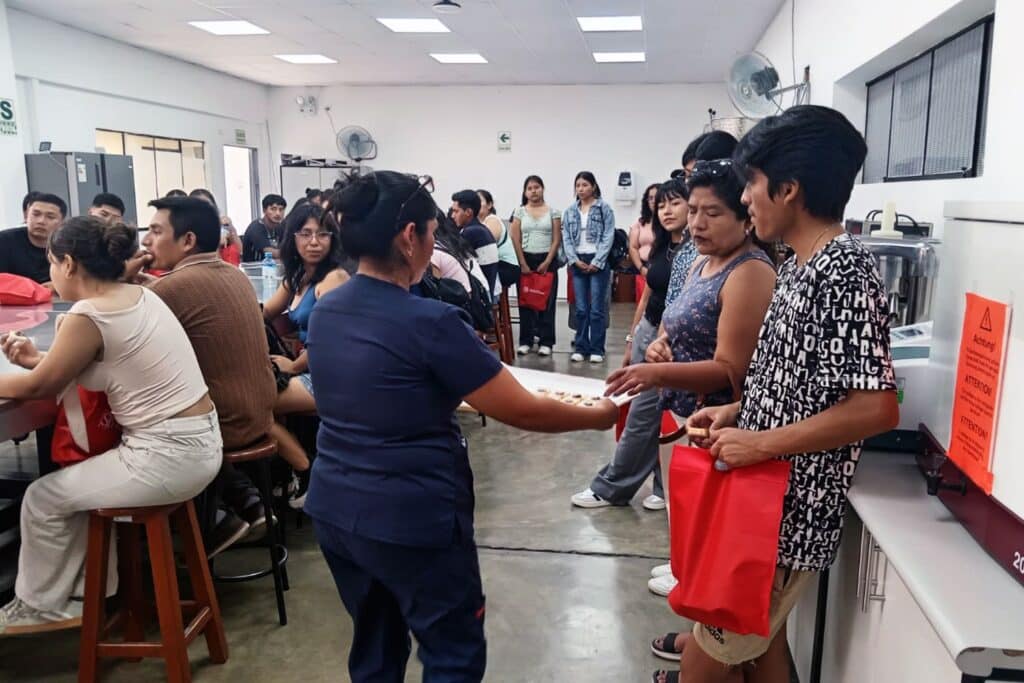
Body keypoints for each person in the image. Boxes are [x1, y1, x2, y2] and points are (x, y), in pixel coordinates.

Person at [303, 170, 618, 682]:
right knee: (452, 651)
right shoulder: (430, 322)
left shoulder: (327, 309)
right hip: (412, 517)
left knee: (374, 647)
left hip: (336, 509)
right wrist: (599, 415)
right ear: (410, 237)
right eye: (432, 231)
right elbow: (522, 408)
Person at [662, 106, 899, 683]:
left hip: (785, 510)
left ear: (789, 190)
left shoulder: (842, 272)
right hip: (764, 498)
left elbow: (875, 406)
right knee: (763, 648)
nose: (747, 199)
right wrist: (738, 409)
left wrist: (762, 443)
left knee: (707, 655)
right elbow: (801, 382)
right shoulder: (798, 262)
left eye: (753, 185)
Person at [0, 216, 222, 635]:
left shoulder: (89, 314)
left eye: (50, 264)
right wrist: (36, 358)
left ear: (67, 264)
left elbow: (40, 386)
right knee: (74, 487)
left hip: (165, 458)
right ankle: (90, 592)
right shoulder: (139, 295)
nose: (50, 275)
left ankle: (43, 605)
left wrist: (34, 369)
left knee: (42, 498)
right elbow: (84, 368)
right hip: (199, 444)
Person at [571, 175, 727, 510]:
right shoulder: (664, 245)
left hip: (670, 342)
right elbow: (653, 293)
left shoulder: (699, 253)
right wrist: (634, 337)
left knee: (648, 415)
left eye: (677, 203)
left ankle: (619, 486)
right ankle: (656, 485)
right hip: (651, 332)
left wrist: (663, 342)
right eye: (661, 205)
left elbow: (685, 307)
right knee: (650, 414)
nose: (668, 211)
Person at [137, 196, 277, 554]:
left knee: (134, 418)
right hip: (260, 411)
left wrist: (117, 281)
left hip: (223, 425)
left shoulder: (172, 288)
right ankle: (245, 499)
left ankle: (201, 526)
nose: (146, 242)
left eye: (155, 231)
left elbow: (124, 339)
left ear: (187, 241)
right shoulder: (234, 274)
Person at [263, 202, 349, 508]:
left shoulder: (334, 279)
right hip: (308, 371)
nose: (314, 242)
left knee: (250, 407)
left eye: (323, 234)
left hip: (330, 377)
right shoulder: (299, 276)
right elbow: (264, 312)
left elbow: (329, 341)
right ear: (293, 238)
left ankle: (305, 470)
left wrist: (294, 365)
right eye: (305, 234)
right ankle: (289, 473)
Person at [562, 171, 615, 363]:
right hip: (577, 261)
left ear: (593, 186)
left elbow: (609, 235)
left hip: (597, 261)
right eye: (578, 185)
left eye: (585, 185)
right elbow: (566, 238)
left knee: (597, 309)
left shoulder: (604, 208)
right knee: (581, 309)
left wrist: (598, 261)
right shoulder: (570, 211)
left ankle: (597, 349)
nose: (581, 189)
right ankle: (581, 346)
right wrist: (574, 260)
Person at [511, 175, 561, 357]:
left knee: (547, 302)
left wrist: (547, 261)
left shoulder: (553, 212)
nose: (534, 191)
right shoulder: (519, 212)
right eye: (530, 188)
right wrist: (522, 263)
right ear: (525, 192)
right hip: (525, 260)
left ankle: (546, 342)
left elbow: (556, 239)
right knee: (526, 302)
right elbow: (514, 238)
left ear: (543, 189)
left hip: (547, 261)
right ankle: (526, 341)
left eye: (537, 187)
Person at [0, 193, 67, 286]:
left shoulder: (69, 245)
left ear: (62, 222)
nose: (41, 221)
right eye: (36, 214)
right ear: (26, 216)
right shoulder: (4, 241)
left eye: (50, 217)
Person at [450, 190, 498, 292]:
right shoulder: (481, 228)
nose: (452, 216)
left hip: (480, 295)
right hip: (488, 290)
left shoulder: (471, 232)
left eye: (456, 211)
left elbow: (454, 261)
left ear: (468, 212)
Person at [477, 189, 519, 291]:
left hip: (506, 267)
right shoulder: (478, 223)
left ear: (489, 204)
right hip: (494, 263)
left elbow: (486, 246)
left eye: (480, 201)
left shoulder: (492, 220)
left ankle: (491, 304)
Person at [629, 183, 660, 301]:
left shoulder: (669, 223)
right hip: (644, 268)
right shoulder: (640, 223)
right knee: (643, 306)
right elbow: (633, 247)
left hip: (662, 269)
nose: (653, 201)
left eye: (656, 197)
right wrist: (641, 268)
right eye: (650, 198)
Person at [242, 193, 287, 262]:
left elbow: (285, 247)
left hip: (271, 267)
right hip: (253, 269)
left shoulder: (280, 227)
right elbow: (270, 252)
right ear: (264, 210)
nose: (278, 213)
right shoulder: (256, 227)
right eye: (273, 209)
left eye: (281, 209)